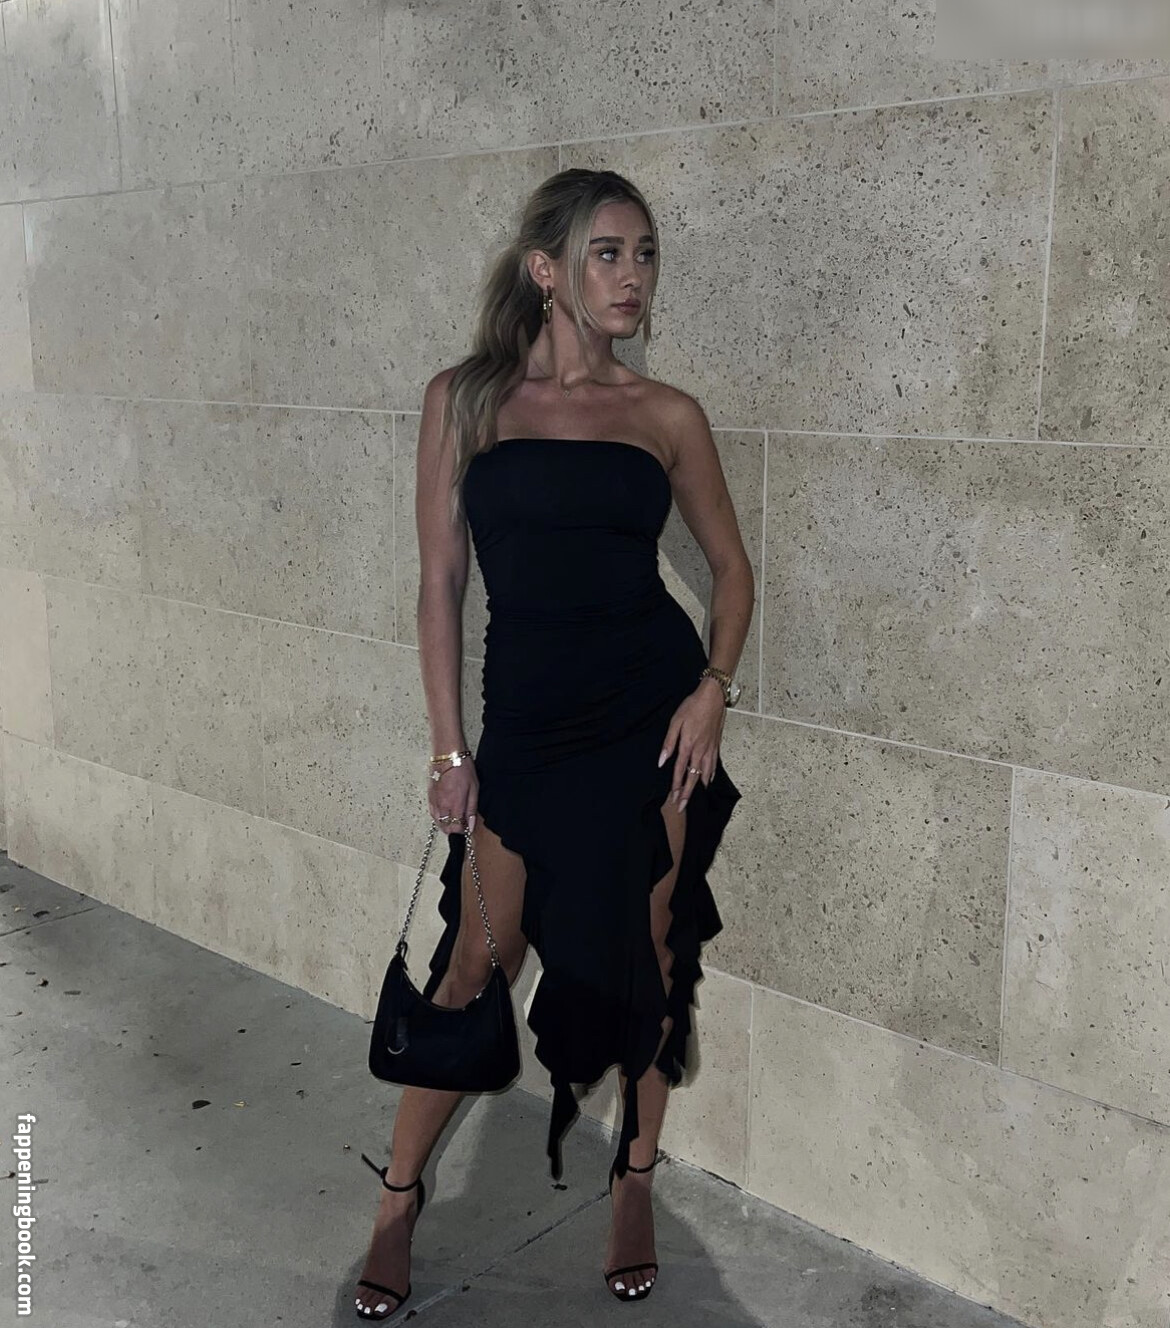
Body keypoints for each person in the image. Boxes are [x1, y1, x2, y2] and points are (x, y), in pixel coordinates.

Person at [354, 168, 754, 1319]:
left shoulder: (665, 414)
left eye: (646, 254)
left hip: (650, 717)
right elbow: (439, 583)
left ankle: (634, 1180)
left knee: (649, 956)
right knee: (473, 964)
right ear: (547, 268)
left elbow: (734, 570)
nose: (634, 277)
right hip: (527, 726)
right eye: (608, 253)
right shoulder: (464, 400)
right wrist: (450, 749)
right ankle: (397, 1196)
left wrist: (713, 688)